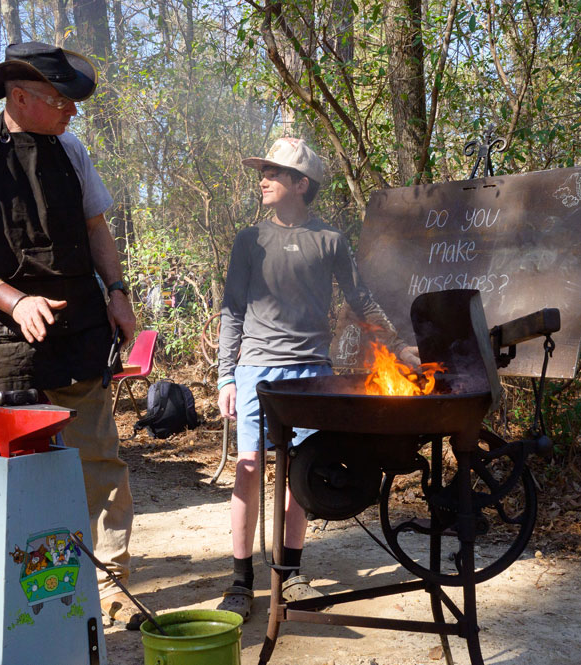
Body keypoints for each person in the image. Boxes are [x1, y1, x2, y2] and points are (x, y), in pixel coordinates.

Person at [0, 42, 140, 627]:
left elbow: (97, 227)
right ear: (20, 97)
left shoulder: (72, 151)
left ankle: (111, 586)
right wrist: (12, 300)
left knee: (99, 464)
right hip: (3, 344)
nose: (72, 110)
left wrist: (117, 292)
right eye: (59, 99)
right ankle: (0, 596)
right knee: (3, 477)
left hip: (78, 334)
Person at [215, 137, 417, 620]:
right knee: (246, 471)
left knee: (298, 476)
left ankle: (290, 574)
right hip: (256, 371)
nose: (262, 179)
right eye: (262, 171)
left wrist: (397, 344)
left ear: (301, 184)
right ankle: (241, 583)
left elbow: (361, 299)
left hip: (311, 373)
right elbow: (231, 311)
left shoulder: (330, 240)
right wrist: (226, 376)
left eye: (273, 173)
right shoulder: (250, 240)